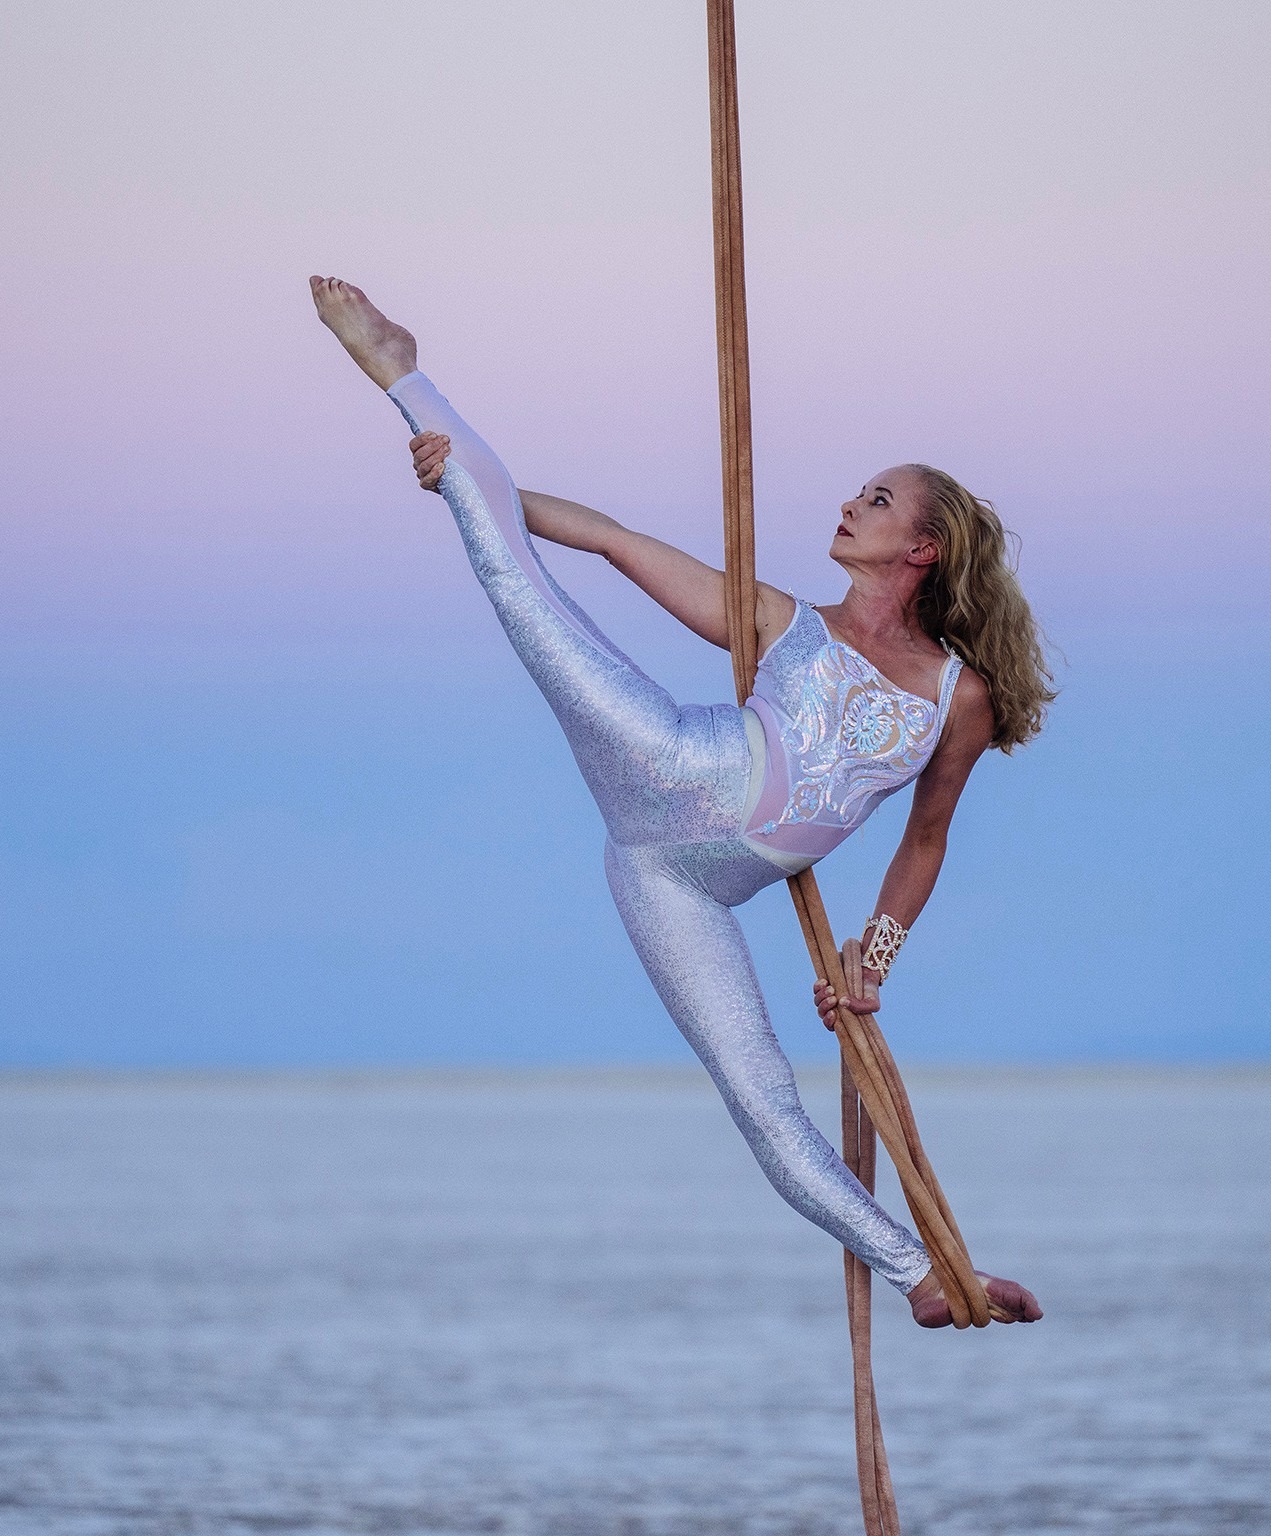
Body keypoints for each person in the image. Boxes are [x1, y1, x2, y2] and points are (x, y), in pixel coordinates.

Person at [310, 275, 1052, 1328]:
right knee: (520, 586)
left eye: (877, 501)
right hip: (662, 760)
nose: (850, 505)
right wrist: (471, 487)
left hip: (675, 887)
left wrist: (871, 961)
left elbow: (924, 840)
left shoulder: (954, 696)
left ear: (922, 549)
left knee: (763, 1102)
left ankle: (920, 1278)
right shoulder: (779, 620)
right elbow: (611, 539)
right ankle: (402, 373)